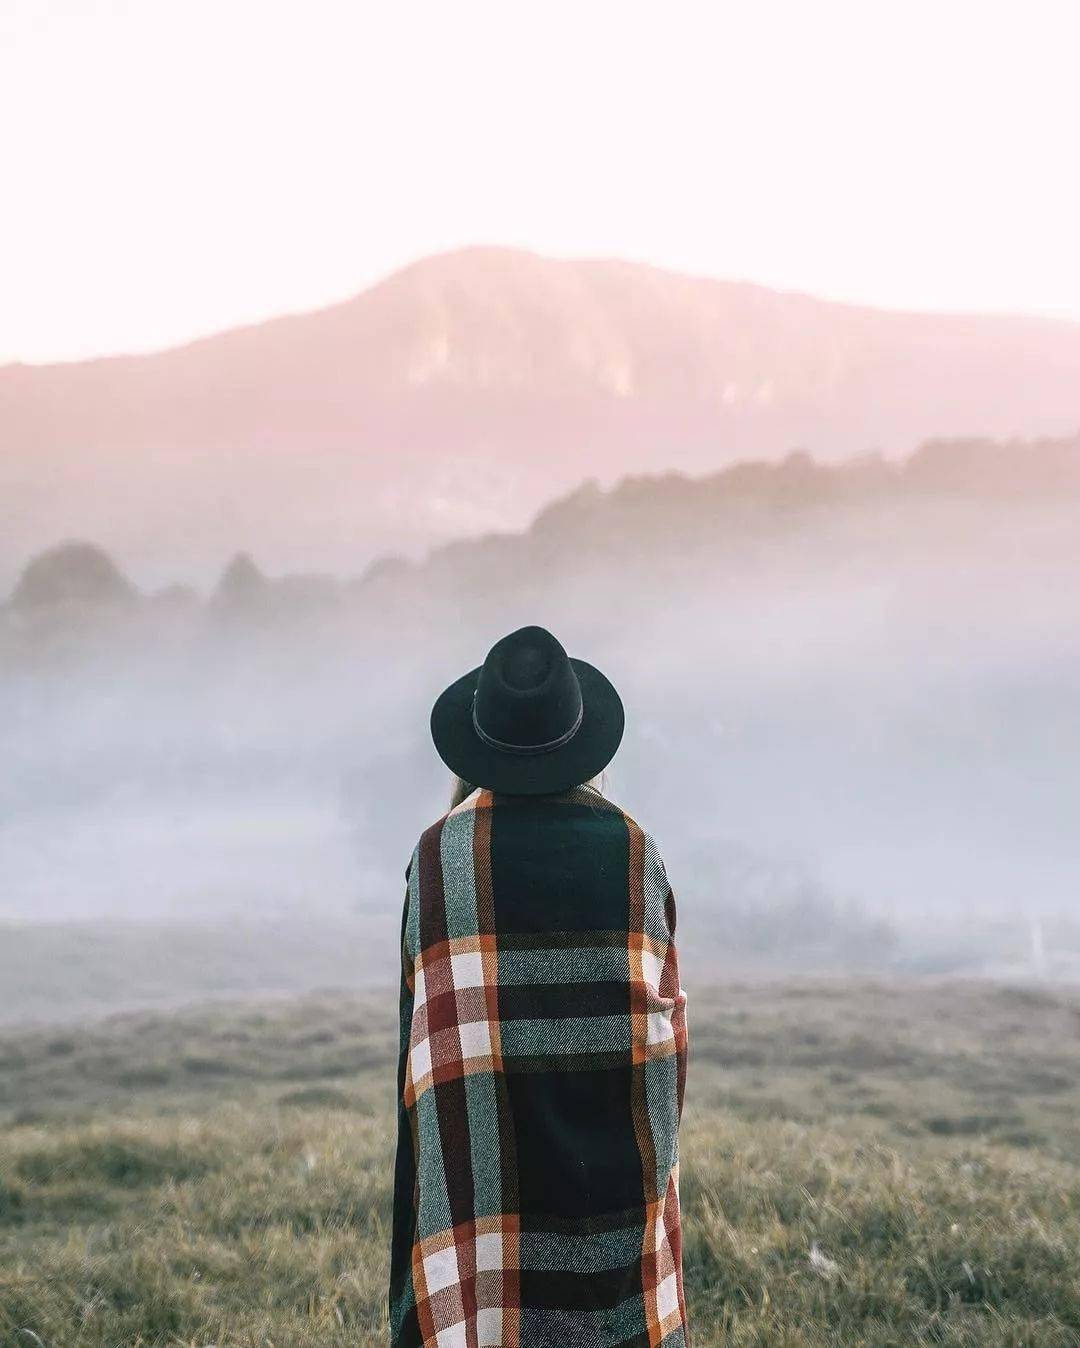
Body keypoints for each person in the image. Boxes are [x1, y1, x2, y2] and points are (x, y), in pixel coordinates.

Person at [389, 625, 689, 1347]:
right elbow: (662, 1034)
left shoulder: (439, 858)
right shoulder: (633, 850)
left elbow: (421, 1040)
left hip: (478, 1203)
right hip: (609, 1195)